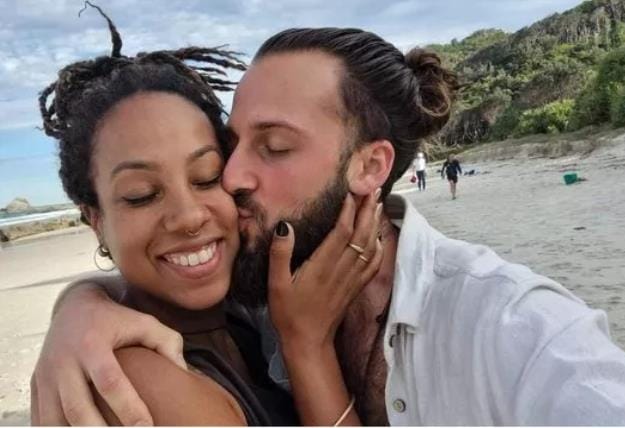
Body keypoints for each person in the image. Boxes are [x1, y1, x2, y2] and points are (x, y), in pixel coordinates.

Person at [32, 27, 625, 425]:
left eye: (273, 147)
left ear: (370, 166)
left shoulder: (516, 330)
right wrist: (81, 306)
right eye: (232, 149)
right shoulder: (259, 288)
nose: (233, 179)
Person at [32, 9, 383, 426]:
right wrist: (308, 346)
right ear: (95, 220)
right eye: (141, 195)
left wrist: (79, 300)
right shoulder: (143, 386)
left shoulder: (242, 313)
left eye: (207, 177)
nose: (188, 217)